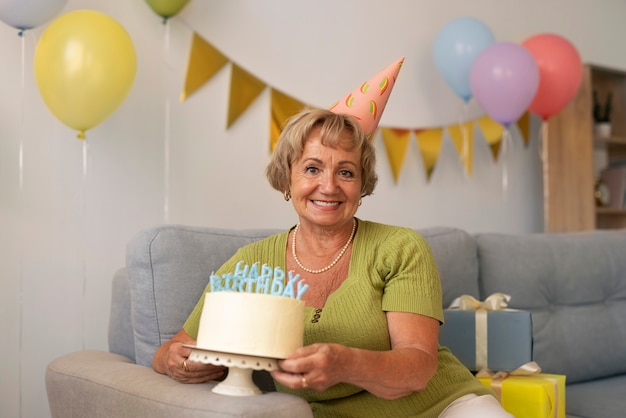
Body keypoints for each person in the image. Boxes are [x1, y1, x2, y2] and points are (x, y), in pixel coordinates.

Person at [153, 107, 513, 417]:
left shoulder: (401, 247)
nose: (329, 186)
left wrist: (345, 364)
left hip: (441, 408)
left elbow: (418, 367)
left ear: (361, 185)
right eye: (312, 169)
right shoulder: (250, 266)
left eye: (345, 172)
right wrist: (179, 364)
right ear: (287, 179)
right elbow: (170, 351)